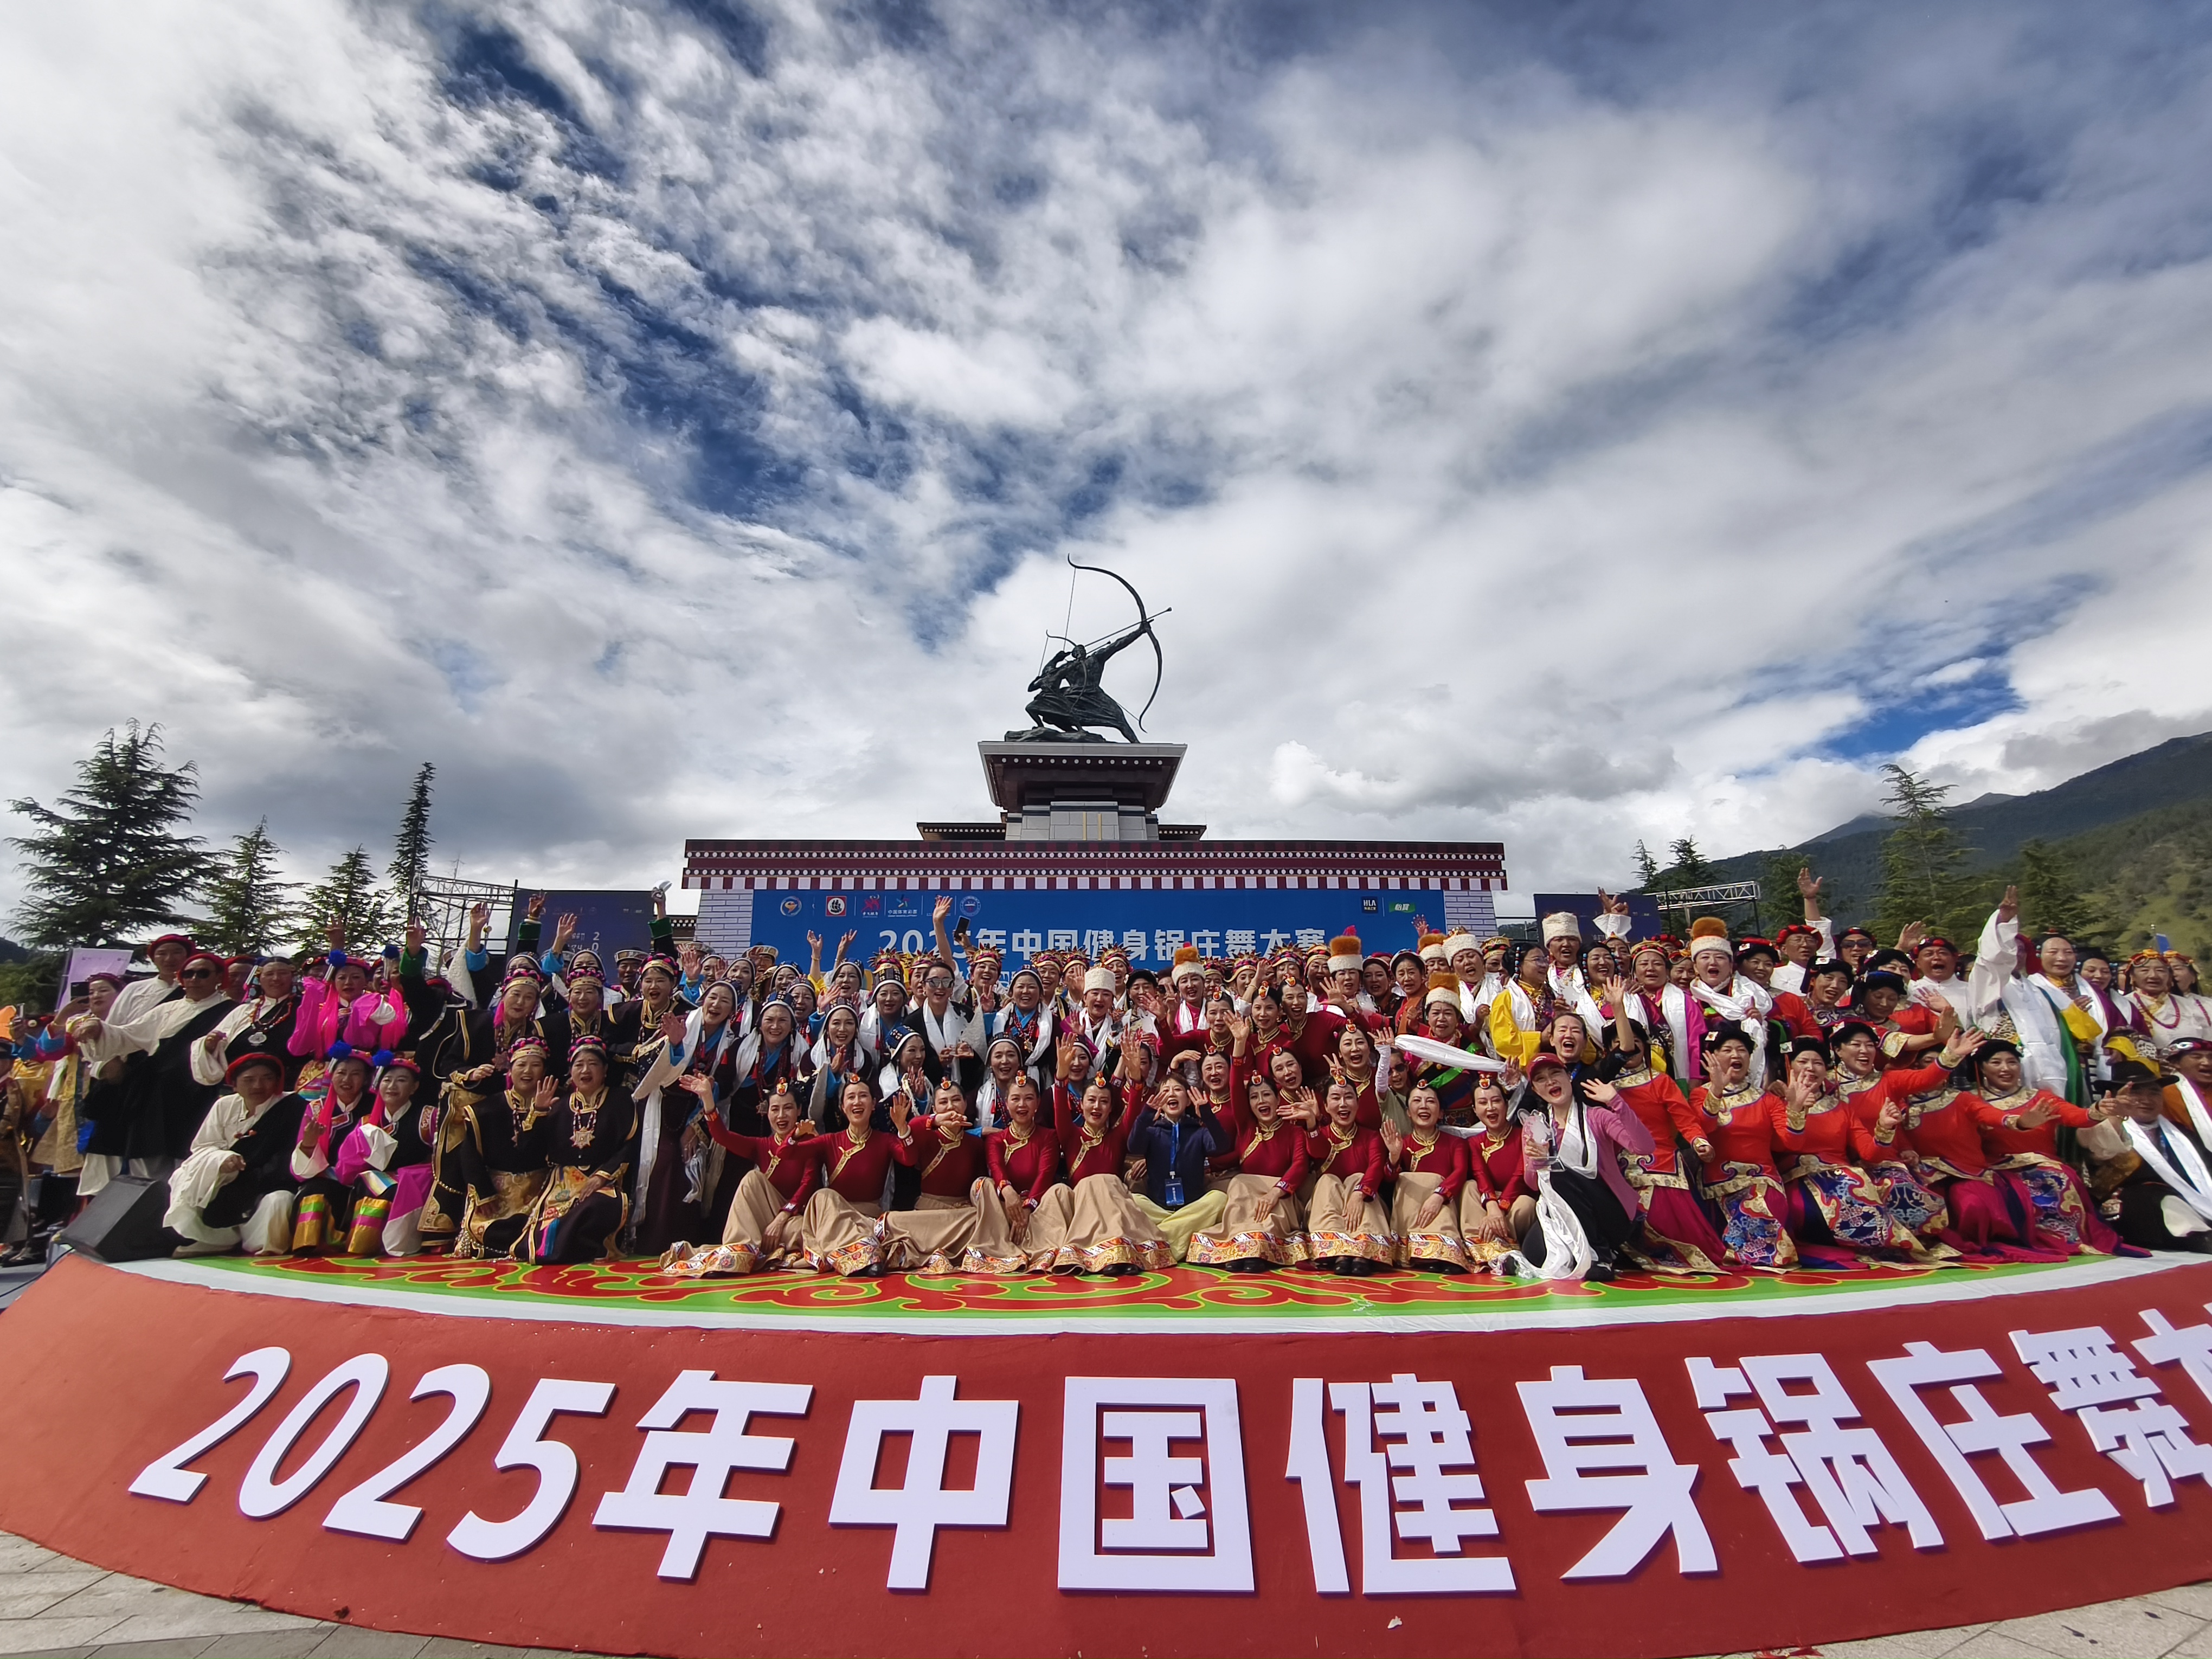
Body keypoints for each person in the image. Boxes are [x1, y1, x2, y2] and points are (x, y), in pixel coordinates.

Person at [1769, 1036, 1937, 1265]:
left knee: (1890, 1186)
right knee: (1848, 1187)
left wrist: (1884, 1128)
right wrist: (1795, 1109)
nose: (1810, 1068)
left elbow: (1870, 1154)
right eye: (1803, 1062)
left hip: (1844, 1176)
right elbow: (1782, 1146)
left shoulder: (1842, 1108)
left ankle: (1895, 1241)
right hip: (1800, 1179)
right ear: (1789, 1067)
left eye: (1818, 1063)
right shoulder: (1774, 1103)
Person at [1965, 1038, 2127, 1256]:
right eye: (1996, 1062)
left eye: (2012, 1062)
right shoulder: (1971, 1101)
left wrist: (2098, 1110)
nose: (2006, 1068)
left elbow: (2076, 1116)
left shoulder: (2040, 1099)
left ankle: (2069, 1238)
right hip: (1997, 1169)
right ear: (1982, 1068)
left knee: (2059, 1177)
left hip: (2044, 1165)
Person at [1505, 1052, 1653, 1282]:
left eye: (1555, 1073)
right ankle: (1580, 1253)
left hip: (1607, 1212)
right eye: (1541, 1079)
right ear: (1535, 1090)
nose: (1550, 1082)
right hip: (1560, 1213)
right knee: (1535, 1254)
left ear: (1569, 1076)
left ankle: (1601, 1256)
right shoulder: (1536, 1125)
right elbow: (1533, 1183)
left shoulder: (1598, 1117)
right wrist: (1539, 1160)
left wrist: (1616, 1102)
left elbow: (1644, 1147)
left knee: (1559, 1174)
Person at [1029, 1040, 1169, 1275]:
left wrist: (1135, 1076)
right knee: (1086, 1185)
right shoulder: (1070, 1134)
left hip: (1114, 1205)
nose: (1097, 1107)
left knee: (1108, 1182)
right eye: (1091, 1100)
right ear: (1081, 1104)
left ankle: (1118, 1250)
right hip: (1083, 1208)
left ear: (1111, 1108)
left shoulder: (1119, 1135)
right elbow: (1060, 1106)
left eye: (1104, 1102)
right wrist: (1061, 1075)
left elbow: (1134, 1108)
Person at [162, 1053, 306, 1256]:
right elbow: (203, 1146)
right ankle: (212, 1239)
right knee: (183, 1175)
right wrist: (222, 1160)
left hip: (268, 1178)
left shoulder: (293, 1107)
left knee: (279, 1200)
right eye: (249, 1080)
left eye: (267, 1078)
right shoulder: (224, 1105)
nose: (258, 1086)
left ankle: (258, 1244)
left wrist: (250, 1174)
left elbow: (287, 1155)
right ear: (235, 1085)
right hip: (225, 1174)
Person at [1686, 1026, 1798, 1270]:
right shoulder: (1699, 1095)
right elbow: (1704, 1129)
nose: (1736, 1055)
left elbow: (1788, 1143)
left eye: (1742, 1050)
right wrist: (1716, 1091)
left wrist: (1796, 1109)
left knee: (1763, 1202)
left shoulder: (1767, 1099)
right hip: (1718, 1185)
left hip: (1762, 1180)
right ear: (1713, 1057)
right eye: (1727, 1050)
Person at [881, 1078, 1020, 1274]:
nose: (950, 1106)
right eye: (943, 1102)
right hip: (930, 1214)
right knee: (893, 1222)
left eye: (956, 1100)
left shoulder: (975, 1144)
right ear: (934, 1109)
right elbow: (910, 1153)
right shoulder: (926, 1134)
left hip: (963, 1217)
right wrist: (931, 1122)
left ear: (965, 1104)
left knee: (982, 1219)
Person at [516, 1037, 634, 1263]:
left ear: (605, 1070)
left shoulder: (620, 1100)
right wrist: (538, 1111)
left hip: (604, 1179)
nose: (585, 1070)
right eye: (579, 1065)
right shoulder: (559, 1105)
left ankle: (572, 1249)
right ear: (571, 1072)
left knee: (600, 1204)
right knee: (548, 1221)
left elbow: (629, 1144)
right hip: (564, 1182)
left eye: (593, 1064)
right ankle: (552, 1248)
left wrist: (602, 1176)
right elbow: (528, 1149)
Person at [2079, 1060, 2212, 1252]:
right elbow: (2102, 1151)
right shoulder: (2100, 1128)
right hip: (2138, 1204)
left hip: (2191, 1199)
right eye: (2135, 1093)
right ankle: (2200, 1238)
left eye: (2154, 1093)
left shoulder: (2181, 1133)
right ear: (2115, 1096)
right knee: (2162, 1201)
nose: (2146, 1100)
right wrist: (2116, 1115)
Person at [1185, 1069, 1309, 1271]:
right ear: (1249, 1104)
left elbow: (1300, 1165)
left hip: (1281, 1196)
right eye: (1254, 1097)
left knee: (1268, 1214)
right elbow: (1235, 1088)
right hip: (1248, 1197)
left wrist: (1275, 1193)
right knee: (1240, 1185)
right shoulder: (1247, 1127)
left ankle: (1257, 1248)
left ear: (1278, 1099)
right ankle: (1240, 1246)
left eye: (1266, 1094)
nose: (1261, 1101)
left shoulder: (1294, 1131)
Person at [442, 1039, 557, 1258]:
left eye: (535, 1065)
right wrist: (483, 1194)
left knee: (542, 1232)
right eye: (521, 1065)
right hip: (497, 1192)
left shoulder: (558, 1106)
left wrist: (541, 1113)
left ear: (544, 1072)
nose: (528, 1071)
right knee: (489, 1232)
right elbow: (470, 1156)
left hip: (541, 1190)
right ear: (510, 1071)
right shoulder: (485, 1110)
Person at [800, 1076, 912, 1277]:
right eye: (851, 1097)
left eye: (863, 1096)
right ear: (843, 1107)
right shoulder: (830, 1140)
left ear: (873, 1104)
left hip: (870, 1221)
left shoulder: (885, 1140)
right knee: (822, 1196)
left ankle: (854, 1252)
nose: (857, 1102)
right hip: (835, 1217)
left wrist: (902, 1128)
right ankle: (865, 1254)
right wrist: (796, 1137)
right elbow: (788, 1153)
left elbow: (910, 1159)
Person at [330, 1056, 434, 1256]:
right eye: (387, 1080)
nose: (392, 1086)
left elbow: (441, 1157)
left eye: (401, 1080)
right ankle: (366, 1242)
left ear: (414, 1087)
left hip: (417, 1183)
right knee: (371, 1180)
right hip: (377, 1181)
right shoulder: (367, 1122)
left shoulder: (428, 1117)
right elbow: (346, 1166)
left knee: (383, 1184)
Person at [1123, 1071, 1229, 1261]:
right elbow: (1134, 1146)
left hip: (1192, 1208)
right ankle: (1181, 1235)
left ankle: (1161, 1242)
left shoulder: (1199, 1132)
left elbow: (1221, 1147)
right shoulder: (1152, 1131)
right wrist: (1146, 1115)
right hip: (1158, 1210)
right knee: (1132, 1200)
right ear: (1160, 1102)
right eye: (1166, 1090)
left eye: (1178, 1090)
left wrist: (1207, 1115)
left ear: (1188, 1101)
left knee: (1219, 1199)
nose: (1171, 1093)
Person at [1303, 1076, 1392, 1274]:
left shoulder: (1372, 1137)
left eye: (1349, 1097)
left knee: (1358, 1178)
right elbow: (1316, 1152)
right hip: (1326, 1202)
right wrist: (1311, 1123)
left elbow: (1376, 1166)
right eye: (1336, 1098)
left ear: (1358, 1104)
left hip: (1366, 1202)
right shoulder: (1320, 1134)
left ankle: (1364, 1248)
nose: (1343, 1104)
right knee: (1328, 1181)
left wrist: (1359, 1193)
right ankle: (1334, 1249)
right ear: (1326, 1107)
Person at [1379, 1082, 1470, 1272]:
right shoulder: (1402, 1144)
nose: (1424, 1106)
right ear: (1408, 1112)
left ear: (1441, 1113)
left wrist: (1439, 1196)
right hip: (1411, 1214)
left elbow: (1461, 1172)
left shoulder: (1455, 1144)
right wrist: (1394, 1158)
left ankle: (1443, 1248)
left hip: (1443, 1207)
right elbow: (1389, 1180)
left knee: (1435, 1181)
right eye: (1417, 1101)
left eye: (1430, 1101)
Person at [983, 1073, 1062, 1272]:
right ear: (1006, 1103)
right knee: (982, 1185)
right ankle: (998, 1247)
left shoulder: (1049, 1137)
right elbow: (996, 1168)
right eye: (1016, 1099)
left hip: (1038, 1208)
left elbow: (1045, 1175)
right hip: (1005, 1207)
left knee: (1060, 1191)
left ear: (1038, 1104)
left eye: (1028, 1098)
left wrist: (1026, 1209)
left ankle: (1043, 1251)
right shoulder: (996, 1140)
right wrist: (1008, 1192)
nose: (1022, 1105)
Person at [1458, 1075, 1533, 1258]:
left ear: (1506, 1105)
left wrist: (1502, 1207)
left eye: (1496, 1101)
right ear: (1475, 1110)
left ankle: (1506, 1250)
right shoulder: (1474, 1142)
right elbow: (1480, 1175)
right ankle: (1479, 1248)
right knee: (1469, 1187)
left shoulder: (1524, 1135)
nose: (1490, 1107)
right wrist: (1492, 1207)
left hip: (1514, 1200)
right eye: (1483, 1103)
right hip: (1489, 1202)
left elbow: (1520, 1175)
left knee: (1527, 1204)